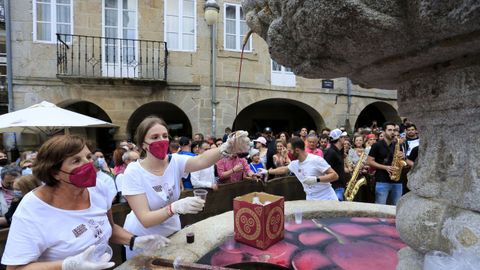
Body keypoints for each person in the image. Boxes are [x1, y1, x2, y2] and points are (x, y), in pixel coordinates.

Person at [2, 135, 169, 269]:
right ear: (54, 172)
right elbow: (16, 268)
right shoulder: (32, 210)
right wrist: (67, 265)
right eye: (76, 161)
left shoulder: (99, 188)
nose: (88, 164)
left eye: (88, 157)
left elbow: (110, 229)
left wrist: (135, 241)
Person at [122, 116, 250, 259]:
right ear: (144, 144)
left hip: (172, 232)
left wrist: (226, 148)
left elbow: (201, 160)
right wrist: (173, 208)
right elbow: (145, 219)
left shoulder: (175, 161)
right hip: (144, 240)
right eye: (155, 137)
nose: (161, 140)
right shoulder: (133, 172)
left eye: (164, 136)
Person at [265, 137, 338, 200]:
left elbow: (334, 175)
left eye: (290, 151)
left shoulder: (316, 160)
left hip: (326, 197)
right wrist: (267, 171)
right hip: (311, 199)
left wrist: (316, 179)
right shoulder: (295, 164)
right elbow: (283, 169)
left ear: (297, 150)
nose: (288, 153)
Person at [367, 122, 404, 205]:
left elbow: (403, 160)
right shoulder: (376, 145)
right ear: (383, 132)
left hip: (397, 181)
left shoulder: (397, 144)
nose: (392, 132)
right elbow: (369, 161)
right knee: (380, 208)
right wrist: (385, 167)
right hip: (382, 181)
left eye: (394, 130)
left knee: (396, 209)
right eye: (389, 130)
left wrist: (402, 156)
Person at [324, 129, 348, 201]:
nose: (345, 138)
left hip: (340, 186)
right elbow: (326, 171)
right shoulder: (331, 152)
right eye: (343, 137)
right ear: (339, 139)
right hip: (335, 187)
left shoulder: (338, 151)